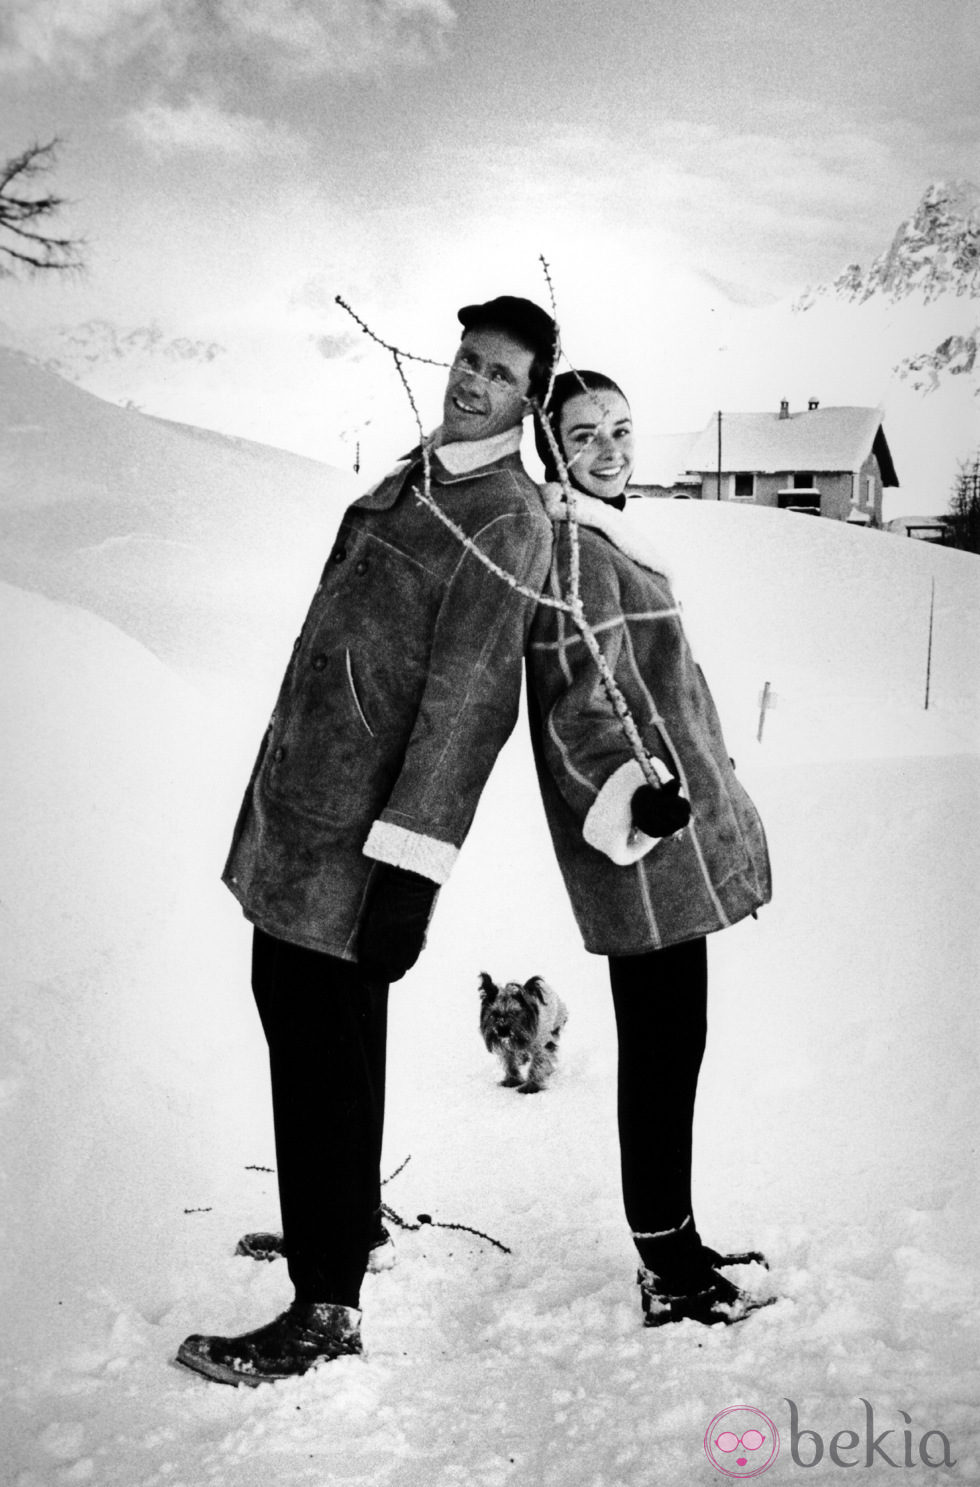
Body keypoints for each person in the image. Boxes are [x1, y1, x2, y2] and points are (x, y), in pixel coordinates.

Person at [177, 295, 557, 1386]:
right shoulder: (423, 472)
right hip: (306, 808)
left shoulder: (504, 514)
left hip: (361, 836)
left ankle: (325, 1303)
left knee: (317, 1046)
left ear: (527, 399)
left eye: (498, 372)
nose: (471, 378)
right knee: (317, 1030)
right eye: (468, 359)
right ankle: (342, 1228)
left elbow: (469, 702)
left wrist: (410, 867)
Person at [527, 370, 773, 1327]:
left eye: (621, 428)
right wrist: (638, 795)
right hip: (640, 841)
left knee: (678, 1042)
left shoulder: (611, 539)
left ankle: (677, 1238)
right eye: (584, 434)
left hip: (670, 834)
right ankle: (667, 1267)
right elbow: (573, 708)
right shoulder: (573, 556)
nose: (610, 448)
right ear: (552, 447)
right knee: (663, 1050)